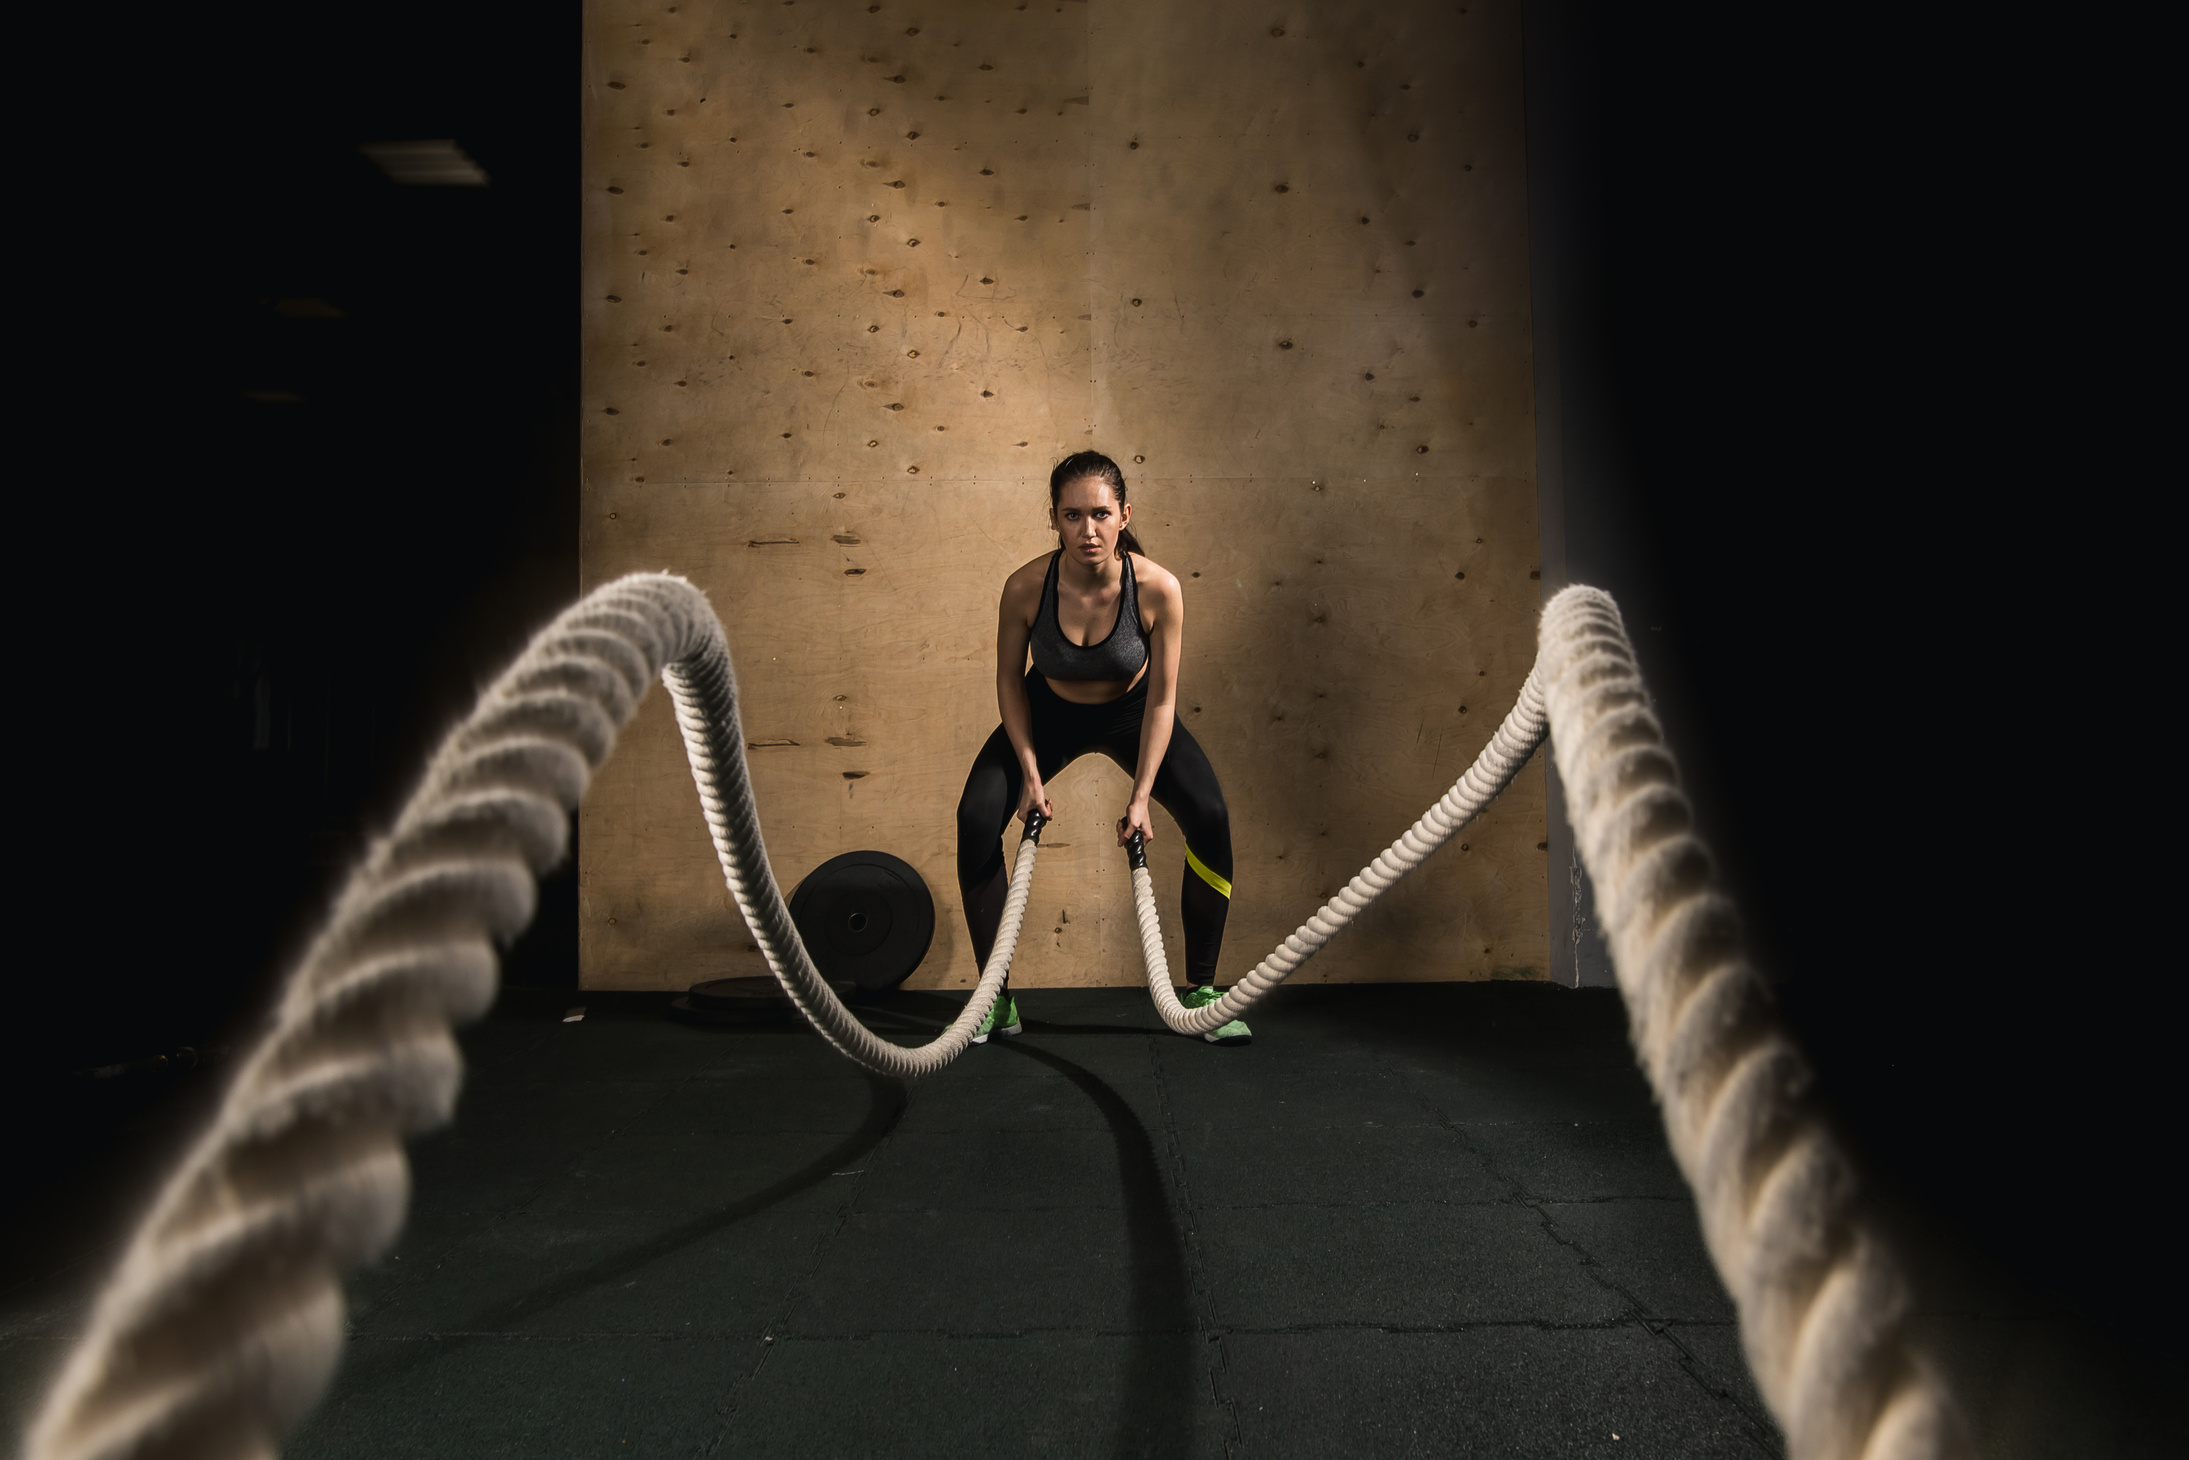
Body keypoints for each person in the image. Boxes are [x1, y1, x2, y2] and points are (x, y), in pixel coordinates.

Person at [955, 452, 1251, 1045]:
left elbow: (1163, 701)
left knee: (1211, 817)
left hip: (1134, 714)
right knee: (976, 816)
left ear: (1123, 515)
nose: (1087, 530)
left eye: (1100, 514)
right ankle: (996, 1000)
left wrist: (1140, 798)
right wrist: (1031, 776)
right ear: (1054, 519)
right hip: (1048, 712)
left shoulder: (1158, 589)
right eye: (1072, 515)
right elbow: (1010, 683)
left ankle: (1202, 992)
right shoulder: (1025, 589)